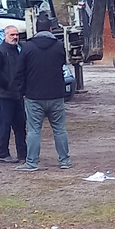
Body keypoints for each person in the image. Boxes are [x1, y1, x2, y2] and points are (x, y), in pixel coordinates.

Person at [13, 15, 71, 171]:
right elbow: (62, 64)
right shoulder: (59, 46)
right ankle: (64, 160)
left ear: (36, 29)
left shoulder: (27, 47)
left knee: (34, 130)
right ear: (51, 29)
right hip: (56, 94)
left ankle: (31, 162)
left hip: (34, 95)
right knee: (59, 129)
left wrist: (22, 91)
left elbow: (20, 71)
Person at [0, 25, 27, 163]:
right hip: (3, 95)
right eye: (12, 35)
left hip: (17, 95)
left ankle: (23, 154)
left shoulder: (19, 50)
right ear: (5, 36)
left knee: (20, 125)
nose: (15, 37)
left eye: (16, 34)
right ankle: (3, 154)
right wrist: (7, 84)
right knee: (4, 125)